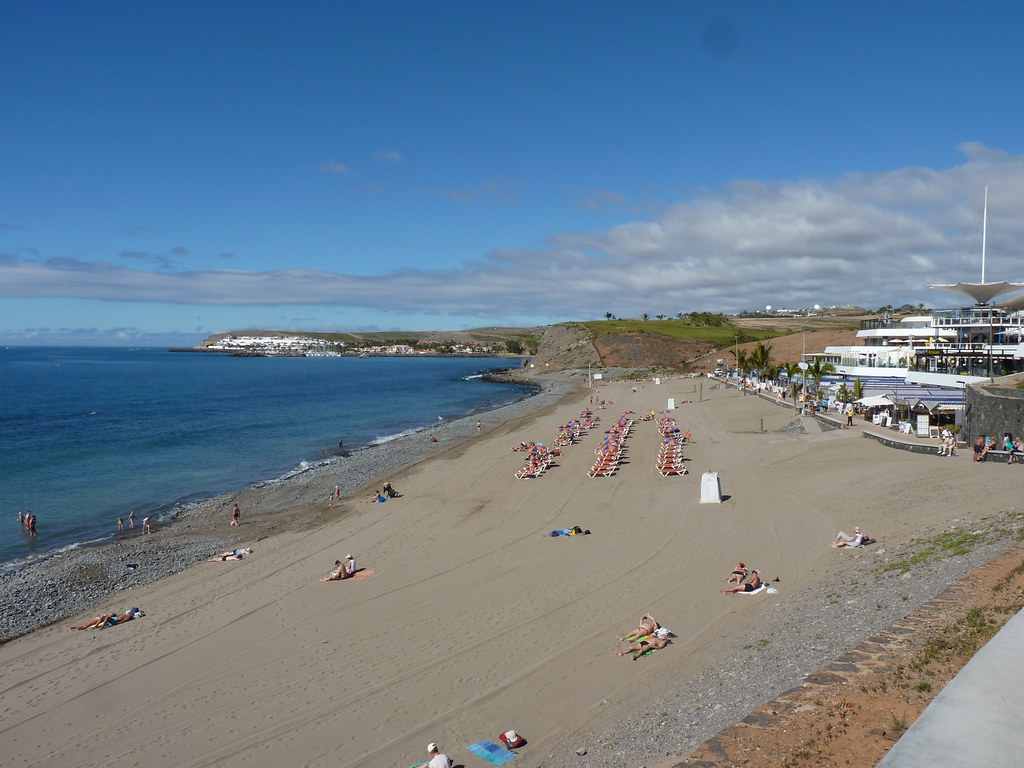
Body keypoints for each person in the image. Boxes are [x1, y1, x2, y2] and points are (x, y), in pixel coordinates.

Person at [72, 607, 144, 630]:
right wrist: (113, 615)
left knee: (104, 617)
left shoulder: (129, 616)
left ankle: (99, 626)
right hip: (114, 619)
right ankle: (80, 626)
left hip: (114, 621)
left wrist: (117, 623)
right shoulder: (127, 614)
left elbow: (123, 621)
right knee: (91, 622)